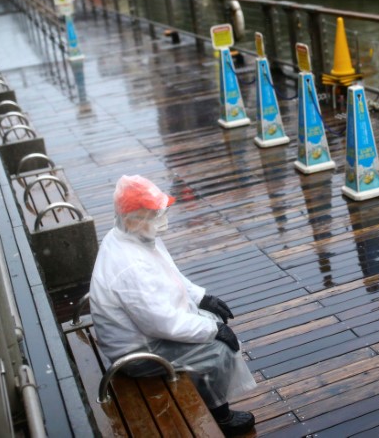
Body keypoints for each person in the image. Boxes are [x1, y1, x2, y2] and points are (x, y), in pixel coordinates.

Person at [90, 175, 257, 436]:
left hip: (146, 334)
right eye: (155, 214)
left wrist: (202, 298)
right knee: (216, 352)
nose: (162, 219)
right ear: (134, 218)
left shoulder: (135, 237)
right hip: (137, 352)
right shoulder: (129, 264)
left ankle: (213, 401)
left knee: (212, 323)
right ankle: (219, 416)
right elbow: (161, 323)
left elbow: (172, 276)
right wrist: (212, 331)